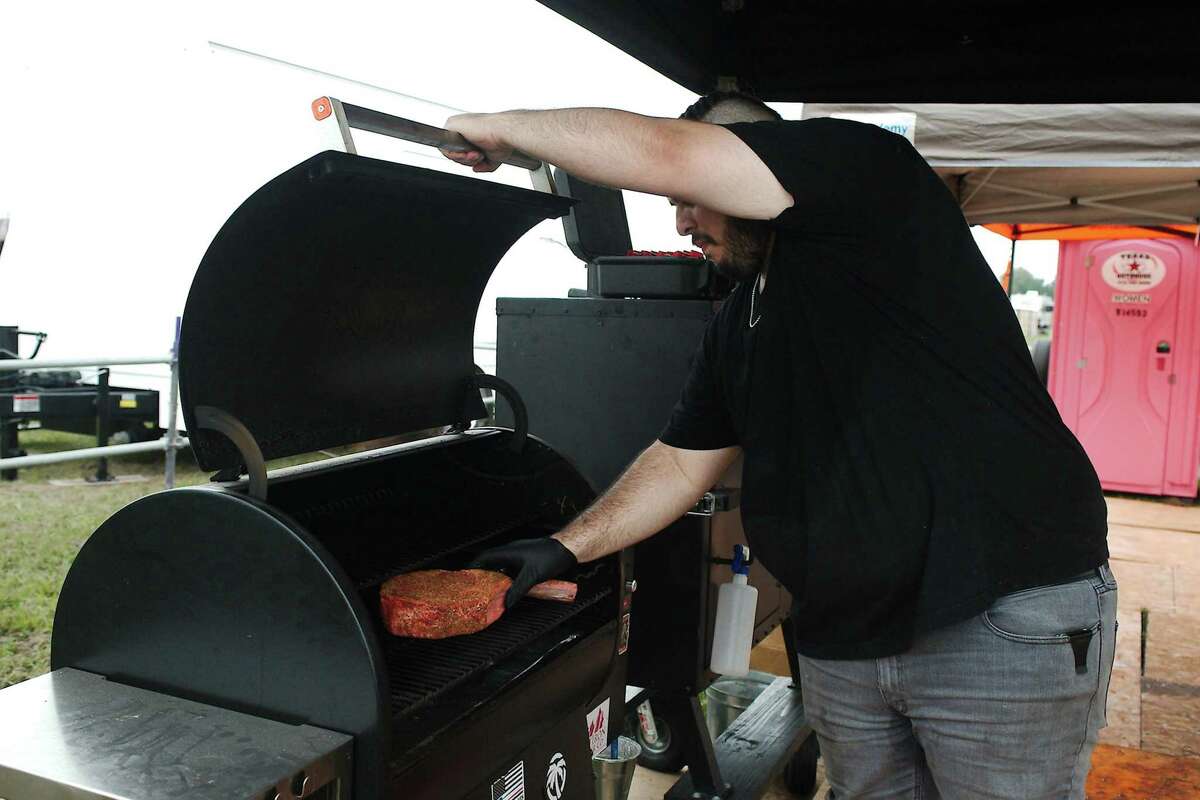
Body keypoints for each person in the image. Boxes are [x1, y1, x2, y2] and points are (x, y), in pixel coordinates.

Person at [447, 91, 1115, 800]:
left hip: (994, 619)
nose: (680, 220)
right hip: (844, 638)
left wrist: (504, 129)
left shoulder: (866, 176)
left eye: (690, 196)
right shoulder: (740, 319)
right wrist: (569, 544)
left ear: (748, 158)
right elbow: (680, 459)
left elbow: (668, 151)